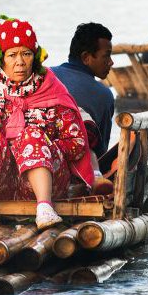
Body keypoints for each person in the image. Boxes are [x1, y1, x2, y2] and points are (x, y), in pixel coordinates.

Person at [0, 15, 94, 231]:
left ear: (35, 57)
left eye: (26, 54)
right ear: (0, 59)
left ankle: (45, 209)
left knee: (32, 135)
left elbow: (77, 143)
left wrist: (41, 149)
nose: (20, 62)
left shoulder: (52, 89)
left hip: (49, 182)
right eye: (12, 55)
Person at [52, 23, 115, 180]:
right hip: (77, 173)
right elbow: (101, 151)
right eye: (106, 55)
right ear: (86, 57)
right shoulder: (104, 95)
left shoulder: (46, 74)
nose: (111, 62)